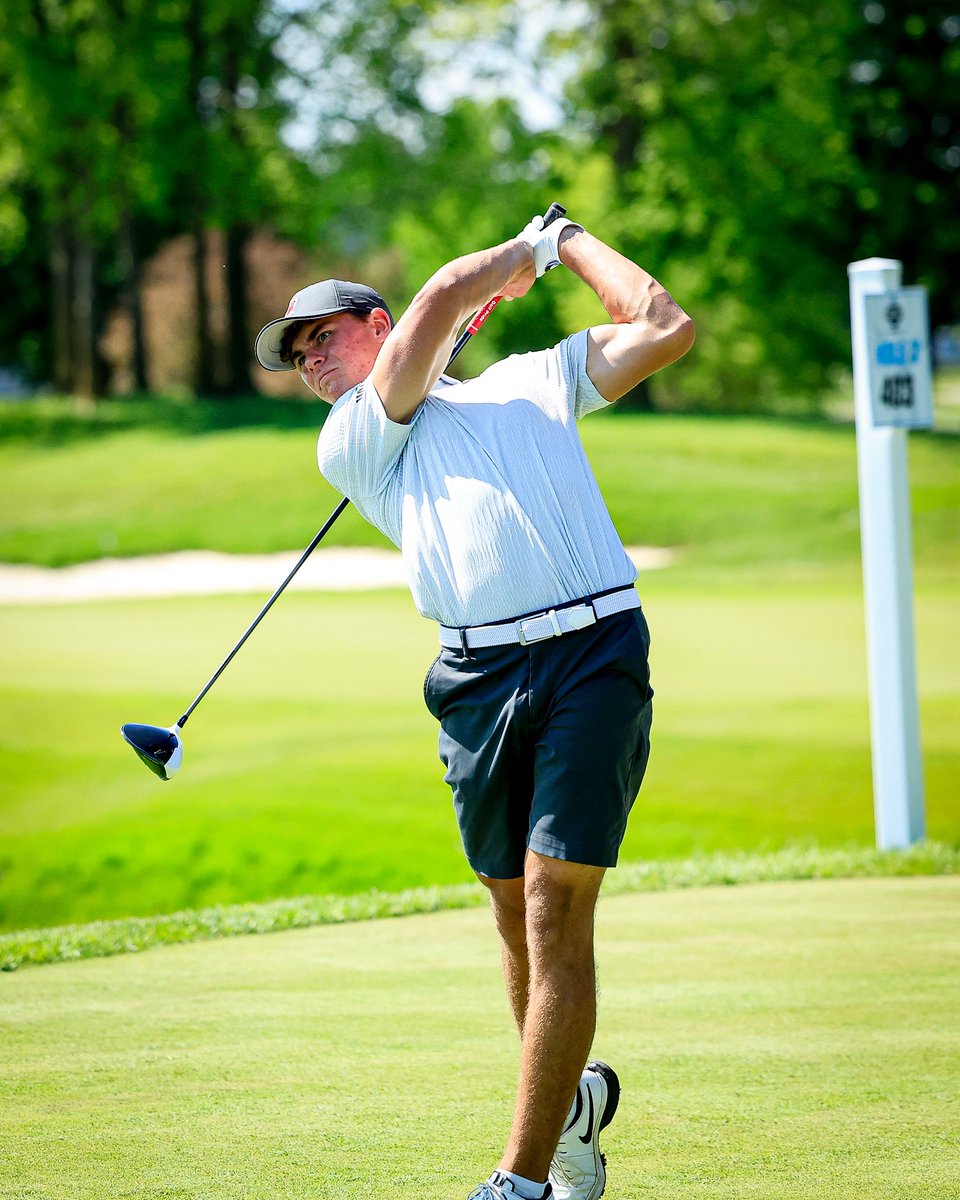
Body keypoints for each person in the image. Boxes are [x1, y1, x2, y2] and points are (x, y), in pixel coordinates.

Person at [254, 212, 694, 1200]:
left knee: (551, 904)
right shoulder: (353, 440)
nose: (311, 362)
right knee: (512, 919)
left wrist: (573, 239)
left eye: (322, 337)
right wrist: (522, 254)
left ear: (370, 321)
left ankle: (520, 1182)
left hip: (593, 654)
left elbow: (663, 325)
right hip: (474, 685)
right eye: (297, 356)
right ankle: (571, 1113)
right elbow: (446, 293)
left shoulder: (531, 380)